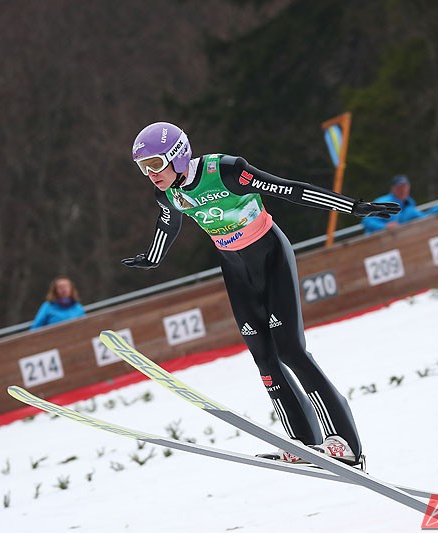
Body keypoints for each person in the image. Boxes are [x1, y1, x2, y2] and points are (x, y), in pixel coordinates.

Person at [122, 121, 400, 466]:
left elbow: (289, 190)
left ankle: (345, 443)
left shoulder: (226, 171)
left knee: (291, 351)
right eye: (143, 168)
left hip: (270, 257)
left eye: (154, 164)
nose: (150, 174)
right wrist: (153, 257)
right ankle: (302, 441)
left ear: (178, 156)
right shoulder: (167, 194)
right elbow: (168, 222)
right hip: (235, 270)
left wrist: (351, 207)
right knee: (265, 359)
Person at [362, 174, 438, 234]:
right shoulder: (383, 202)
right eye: (399, 187)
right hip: (376, 242)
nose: (403, 190)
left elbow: (424, 217)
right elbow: (367, 220)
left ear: (408, 188)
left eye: (405, 187)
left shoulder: (409, 206)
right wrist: (385, 227)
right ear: (393, 189)